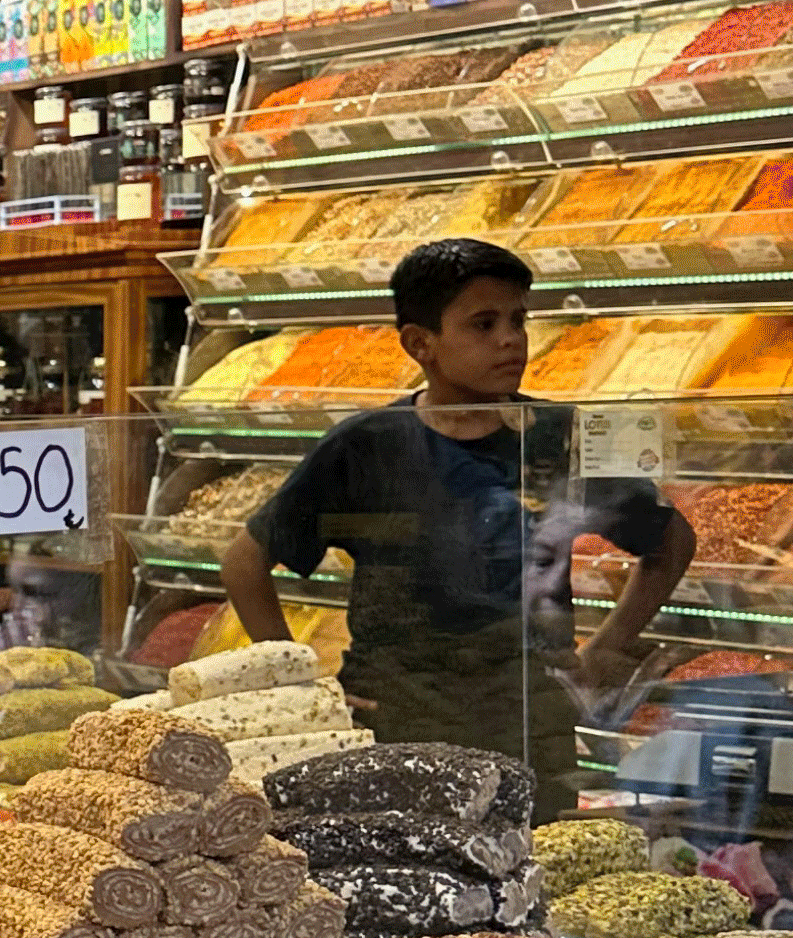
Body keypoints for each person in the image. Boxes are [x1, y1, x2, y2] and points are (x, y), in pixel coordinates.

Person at [219, 236, 695, 810]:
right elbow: (245, 560)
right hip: (395, 724)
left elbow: (670, 539)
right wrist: (301, 688)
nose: (511, 340)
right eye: (484, 324)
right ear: (421, 344)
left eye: (520, 320)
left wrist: (607, 646)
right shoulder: (368, 444)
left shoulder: (562, 434)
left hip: (528, 727)